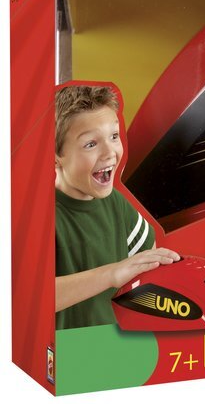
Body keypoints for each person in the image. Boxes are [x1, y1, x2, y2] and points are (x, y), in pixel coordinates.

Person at [55, 84, 179, 329]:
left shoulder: (116, 204)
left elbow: (148, 262)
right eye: (91, 144)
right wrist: (112, 274)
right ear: (55, 157)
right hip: (66, 347)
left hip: (116, 342)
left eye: (114, 136)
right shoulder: (41, 216)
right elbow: (28, 298)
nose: (110, 152)